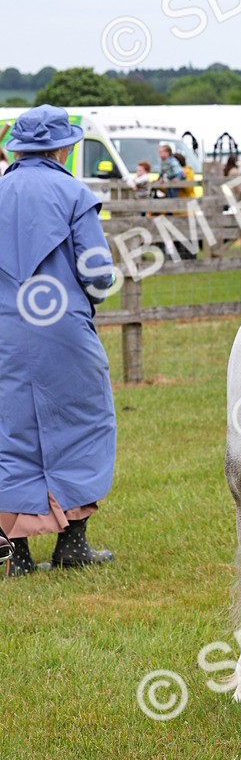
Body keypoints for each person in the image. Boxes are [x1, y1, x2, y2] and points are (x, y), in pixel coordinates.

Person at [0, 105, 116, 575]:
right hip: (62, 330)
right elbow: (98, 274)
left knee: (10, 429)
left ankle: (18, 553)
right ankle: (72, 542)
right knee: (83, 421)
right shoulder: (74, 192)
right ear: (62, 148)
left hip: (4, 329)